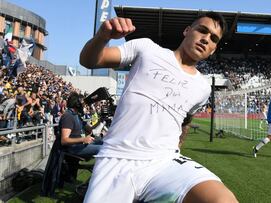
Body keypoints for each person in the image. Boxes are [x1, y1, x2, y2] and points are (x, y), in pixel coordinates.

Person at [80, 12, 238, 203]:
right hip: (116, 159)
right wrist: (102, 37)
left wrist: (178, 145)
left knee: (222, 200)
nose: (206, 39)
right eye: (202, 31)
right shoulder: (147, 49)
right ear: (187, 31)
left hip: (163, 162)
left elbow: (186, 120)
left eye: (213, 39)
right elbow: (90, 61)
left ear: (213, 50)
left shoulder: (203, 88)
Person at [59, 92, 102, 159]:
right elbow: (64, 140)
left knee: (105, 143)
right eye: (83, 103)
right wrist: (83, 139)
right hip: (73, 148)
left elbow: (90, 129)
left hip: (80, 145)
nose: (84, 105)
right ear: (77, 104)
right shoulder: (68, 116)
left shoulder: (77, 115)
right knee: (103, 149)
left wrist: (100, 121)